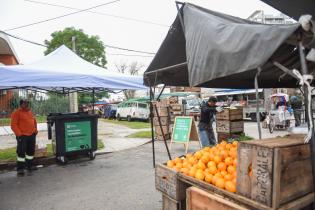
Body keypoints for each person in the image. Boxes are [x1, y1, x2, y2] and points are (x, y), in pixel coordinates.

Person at [11, 99, 38, 176]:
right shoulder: (16, 113)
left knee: (30, 152)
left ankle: (29, 166)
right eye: (25, 103)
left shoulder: (30, 112)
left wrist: (35, 130)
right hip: (22, 136)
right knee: (21, 152)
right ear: (21, 104)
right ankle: (20, 169)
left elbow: (34, 121)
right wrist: (19, 135)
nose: (27, 104)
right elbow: (13, 125)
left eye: (27, 103)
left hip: (32, 135)